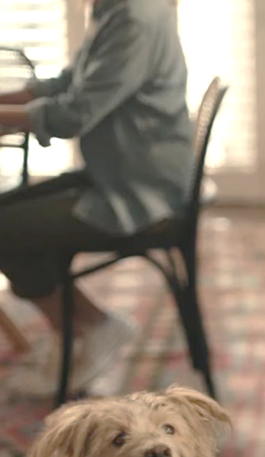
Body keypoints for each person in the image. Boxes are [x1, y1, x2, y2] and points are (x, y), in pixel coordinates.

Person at [0, 0, 192, 393]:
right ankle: (77, 333)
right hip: (118, 172)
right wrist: (8, 104)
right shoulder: (116, 8)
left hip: (140, 191)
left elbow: (76, 113)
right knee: (10, 213)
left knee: (5, 229)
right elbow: (71, 82)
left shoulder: (134, 17)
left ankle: (92, 328)